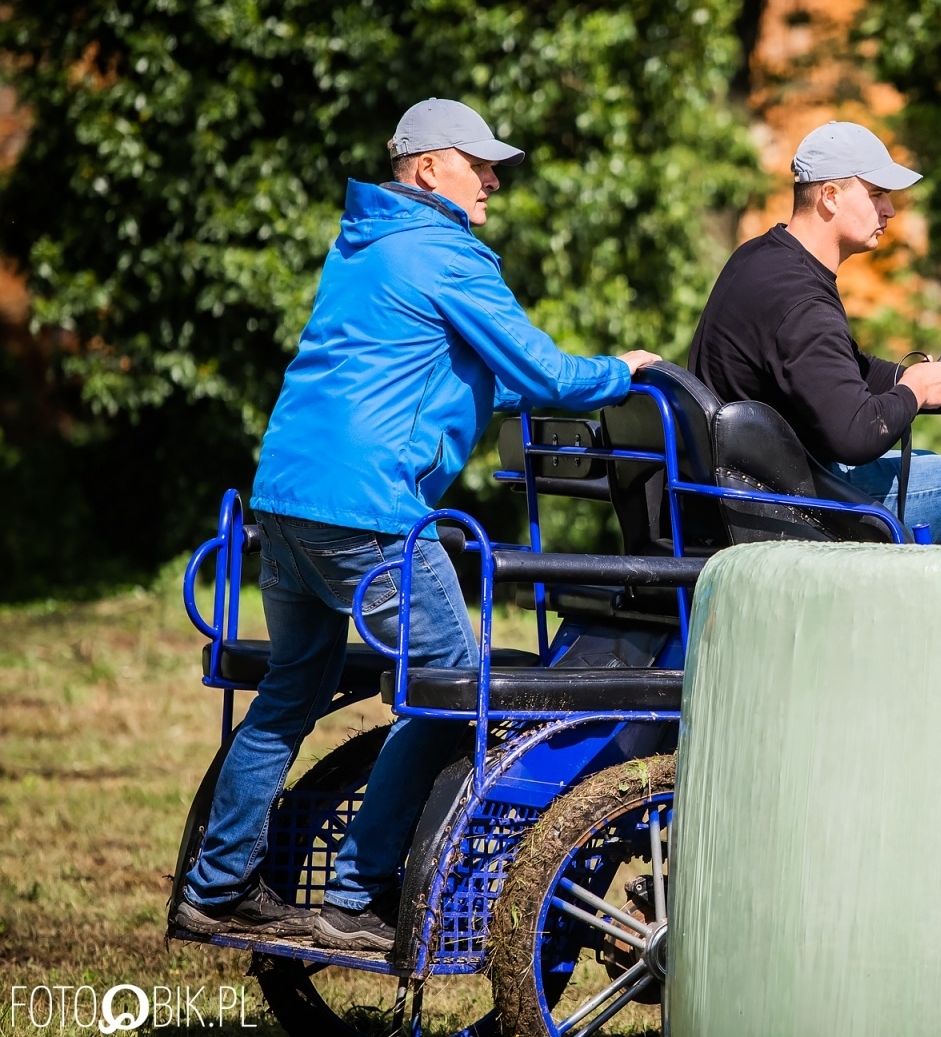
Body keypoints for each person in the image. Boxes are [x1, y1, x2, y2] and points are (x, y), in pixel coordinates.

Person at [173, 98, 660, 950]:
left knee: (289, 692)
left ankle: (216, 888)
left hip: (285, 504)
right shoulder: (445, 250)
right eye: (480, 164)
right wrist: (620, 369)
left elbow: (437, 375)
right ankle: (355, 901)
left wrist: (539, 387)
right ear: (429, 167)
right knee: (454, 692)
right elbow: (545, 371)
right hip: (370, 514)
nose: (494, 179)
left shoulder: (368, 245)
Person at [687, 121, 941, 548]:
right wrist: (912, 390)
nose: (889, 210)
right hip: (792, 506)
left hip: (762, 486)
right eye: (876, 194)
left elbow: (847, 372)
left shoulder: (761, 259)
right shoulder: (801, 302)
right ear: (830, 197)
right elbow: (854, 436)